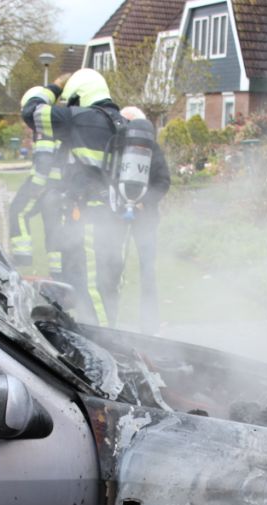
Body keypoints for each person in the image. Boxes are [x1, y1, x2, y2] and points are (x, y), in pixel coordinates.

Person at [21, 68, 126, 325]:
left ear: (80, 96)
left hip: (90, 217)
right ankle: (99, 330)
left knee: (91, 286)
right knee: (108, 282)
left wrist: (55, 87)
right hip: (115, 218)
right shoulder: (122, 122)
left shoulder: (77, 118)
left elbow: (31, 110)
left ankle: (106, 342)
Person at [114, 106, 170, 335]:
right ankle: (113, 318)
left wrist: (142, 201)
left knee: (146, 270)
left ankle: (149, 324)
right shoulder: (122, 148)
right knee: (117, 266)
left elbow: (163, 182)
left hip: (144, 218)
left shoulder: (150, 151)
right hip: (128, 217)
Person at [8, 83, 64, 274]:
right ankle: (58, 272)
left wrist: (37, 186)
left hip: (44, 184)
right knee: (54, 228)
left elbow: (45, 158)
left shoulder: (43, 125)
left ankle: (23, 258)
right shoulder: (55, 121)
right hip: (58, 187)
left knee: (17, 211)